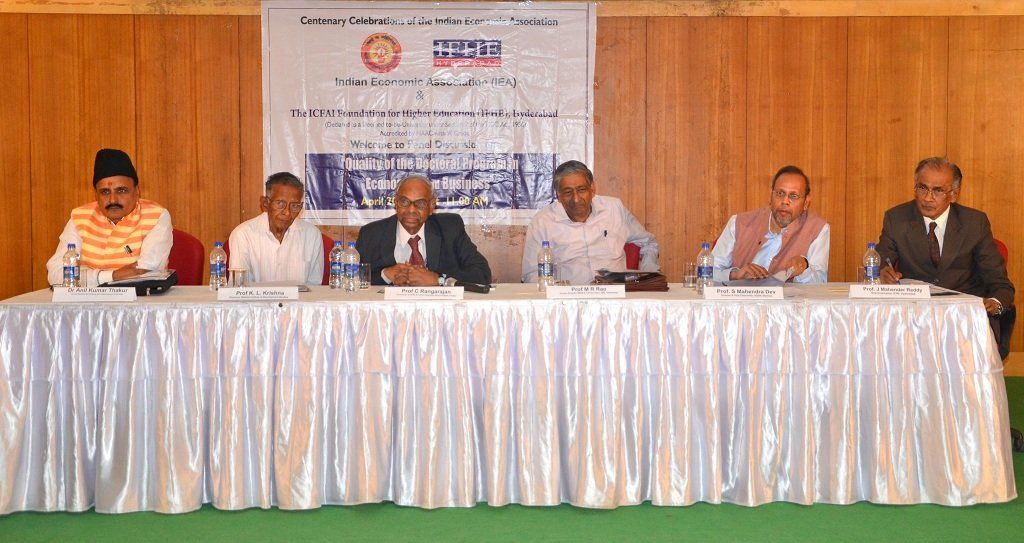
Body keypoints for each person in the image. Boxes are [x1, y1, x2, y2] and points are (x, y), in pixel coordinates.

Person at [878, 157, 1014, 353]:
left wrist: (995, 303)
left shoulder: (974, 223)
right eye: (922, 188)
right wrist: (882, 272)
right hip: (913, 319)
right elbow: (880, 261)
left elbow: (1000, 283)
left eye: (938, 190)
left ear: (954, 195)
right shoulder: (896, 219)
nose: (928, 198)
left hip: (963, 321)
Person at [46, 148, 173, 287]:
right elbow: (56, 274)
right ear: (96, 195)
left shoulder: (156, 216)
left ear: (137, 191)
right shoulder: (80, 217)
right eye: (105, 192)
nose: (113, 200)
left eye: (121, 190)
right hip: (89, 300)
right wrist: (113, 275)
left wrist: (86, 276)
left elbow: (145, 272)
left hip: (140, 299)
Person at [521, 160, 659, 285]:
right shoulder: (542, 222)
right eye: (568, 192)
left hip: (615, 295)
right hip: (568, 298)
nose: (576, 199)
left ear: (592, 189)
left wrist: (648, 278)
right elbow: (531, 274)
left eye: (581, 190)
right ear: (558, 195)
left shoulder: (614, 209)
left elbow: (648, 243)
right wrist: (556, 288)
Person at [356, 174, 491, 286]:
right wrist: (385, 275)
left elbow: (482, 274)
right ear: (396, 202)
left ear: (431, 206)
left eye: (420, 204)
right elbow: (353, 278)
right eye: (404, 202)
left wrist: (439, 280)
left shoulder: (450, 228)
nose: (411, 210)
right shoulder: (371, 234)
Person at [711, 165, 829, 283]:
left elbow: (820, 281)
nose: (785, 201)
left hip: (786, 296)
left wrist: (804, 268)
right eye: (780, 193)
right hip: (740, 295)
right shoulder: (739, 223)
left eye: (793, 196)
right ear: (771, 196)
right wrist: (734, 275)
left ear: (806, 203)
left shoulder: (817, 229)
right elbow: (707, 271)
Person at [228, 172, 323, 285]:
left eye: (294, 206)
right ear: (265, 204)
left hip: (300, 298)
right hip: (255, 298)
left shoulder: (312, 235)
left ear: (300, 207)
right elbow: (238, 286)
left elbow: (315, 287)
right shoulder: (243, 234)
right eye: (280, 204)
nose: (287, 212)